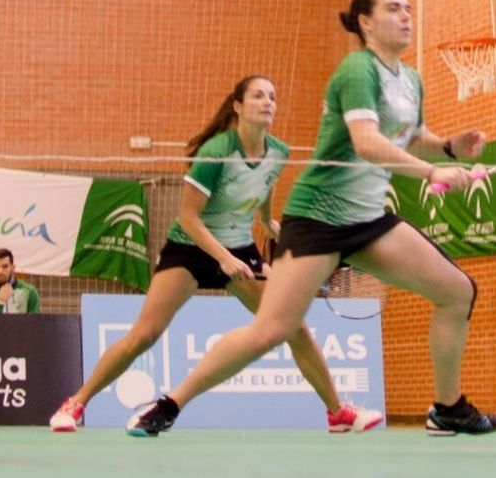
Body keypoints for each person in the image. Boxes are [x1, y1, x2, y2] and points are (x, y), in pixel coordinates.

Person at [125, 0, 496, 438]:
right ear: (365, 22)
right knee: (271, 329)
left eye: (408, 8)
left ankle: (448, 408)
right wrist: (431, 173)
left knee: (457, 290)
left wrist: (447, 145)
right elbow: (366, 142)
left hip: (367, 221)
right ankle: (169, 405)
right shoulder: (356, 70)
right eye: (392, 8)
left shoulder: (410, 78)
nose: (405, 15)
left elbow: (412, 132)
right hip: (317, 220)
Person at [49, 75, 383, 435]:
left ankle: (337, 412)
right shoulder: (216, 152)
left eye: (272, 96)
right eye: (258, 96)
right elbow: (188, 218)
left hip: (240, 249)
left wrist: (272, 227)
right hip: (191, 248)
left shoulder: (278, 153)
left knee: (294, 327)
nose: (268, 102)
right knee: (144, 335)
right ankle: (75, 404)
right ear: (238, 106)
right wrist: (222, 257)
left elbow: (262, 200)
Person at [0, 248, 40, 314]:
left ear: (13, 268)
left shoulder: (29, 291)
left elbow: (35, 323)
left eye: (5, 266)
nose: (0, 271)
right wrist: (0, 302)